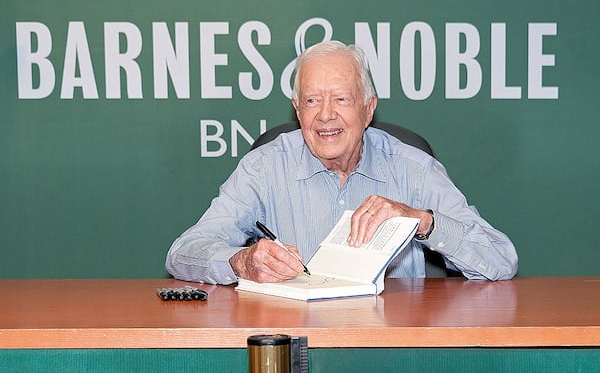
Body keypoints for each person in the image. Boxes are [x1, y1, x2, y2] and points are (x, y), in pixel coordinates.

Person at [165, 40, 518, 285]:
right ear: (297, 109)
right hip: (295, 337)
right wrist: (241, 262)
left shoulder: (413, 168)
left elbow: (500, 260)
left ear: (368, 109)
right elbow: (183, 253)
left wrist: (422, 221)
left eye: (341, 99)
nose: (326, 116)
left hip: (393, 346)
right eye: (312, 100)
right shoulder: (264, 167)